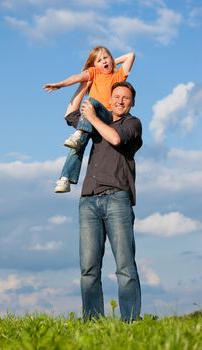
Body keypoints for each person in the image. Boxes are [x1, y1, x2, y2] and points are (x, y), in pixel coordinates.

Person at [64, 80, 142, 321]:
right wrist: (84, 86)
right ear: (109, 99)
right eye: (116, 96)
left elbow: (116, 139)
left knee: (125, 267)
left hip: (117, 198)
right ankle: (93, 322)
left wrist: (94, 119)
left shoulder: (132, 124)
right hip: (88, 201)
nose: (120, 100)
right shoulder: (95, 121)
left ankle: (130, 322)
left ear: (132, 103)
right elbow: (69, 115)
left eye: (125, 98)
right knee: (88, 269)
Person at [43, 46, 135, 193]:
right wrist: (60, 85)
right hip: (90, 120)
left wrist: (111, 62)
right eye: (99, 60)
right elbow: (77, 77)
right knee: (76, 146)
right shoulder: (94, 73)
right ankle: (65, 178)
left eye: (106, 58)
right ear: (94, 65)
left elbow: (130, 55)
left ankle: (78, 133)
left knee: (91, 102)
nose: (104, 61)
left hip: (107, 116)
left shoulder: (117, 76)